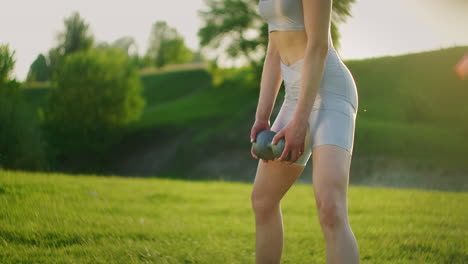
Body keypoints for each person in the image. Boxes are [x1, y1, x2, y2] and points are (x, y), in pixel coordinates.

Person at [249, 0, 360, 263]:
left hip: (330, 93)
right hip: (295, 95)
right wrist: (262, 116)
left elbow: (318, 46)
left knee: (330, 208)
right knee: (263, 200)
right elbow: (274, 53)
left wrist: (299, 123)